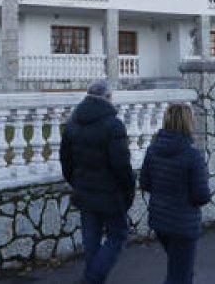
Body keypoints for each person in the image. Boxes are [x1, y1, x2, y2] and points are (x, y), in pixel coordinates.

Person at [61, 80, 135, 284]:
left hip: (84, 191)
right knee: (118, 235)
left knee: (90, 240)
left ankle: (92, 278)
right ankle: (91, 279)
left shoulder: (73, 122)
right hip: (110, 195)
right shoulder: (113, 125)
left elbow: (65, 160)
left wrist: (77, 182)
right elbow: (122, 166)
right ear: (108, 97)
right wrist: (129, 190)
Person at [139, 103, 212, 284]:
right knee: (179, 275)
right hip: (183, 224)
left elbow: (145, 183)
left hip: (160, 221)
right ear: (188, 123)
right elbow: (201, 195)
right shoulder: (192, 155)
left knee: (179, 270)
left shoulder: (153, 150)